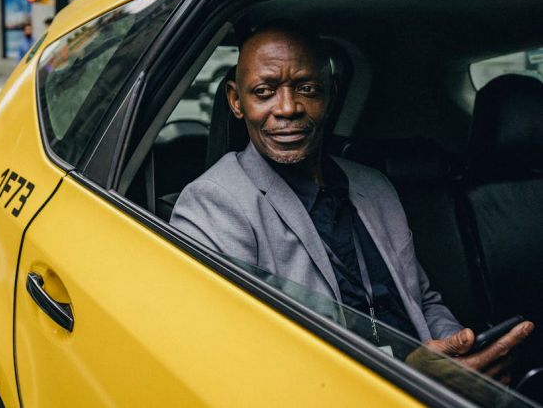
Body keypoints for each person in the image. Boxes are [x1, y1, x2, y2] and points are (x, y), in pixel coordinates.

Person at [169, 21, 533, 380]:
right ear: (236, 101)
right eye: (264, 91)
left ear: (329, 94)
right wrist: (407, 375)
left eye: (306, 88)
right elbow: (240, 361)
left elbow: (421, 299)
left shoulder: (373, 185)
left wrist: (462, 355)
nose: (287, 108)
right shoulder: (212, 205)